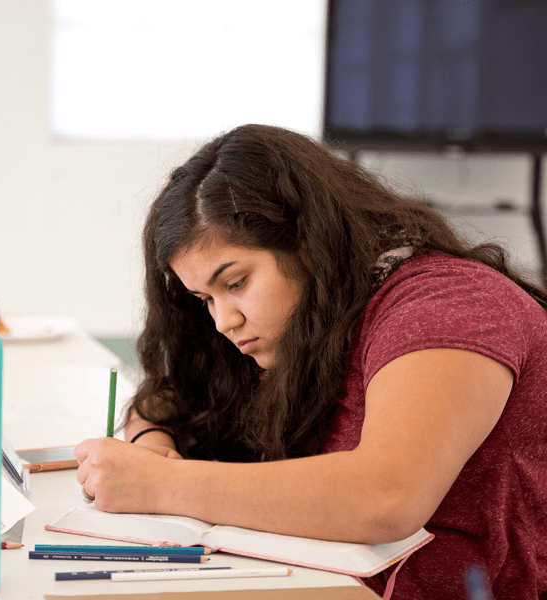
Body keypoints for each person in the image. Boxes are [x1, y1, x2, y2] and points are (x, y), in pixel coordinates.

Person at [75, 125, 547, 599]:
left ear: (306, 240)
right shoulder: (300, 321)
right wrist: (152, 445)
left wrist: (164, 484)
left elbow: (387, 495)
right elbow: (177, 395)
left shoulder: (448, 305)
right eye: (205, 299)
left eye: (236, 283)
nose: (224, 320)